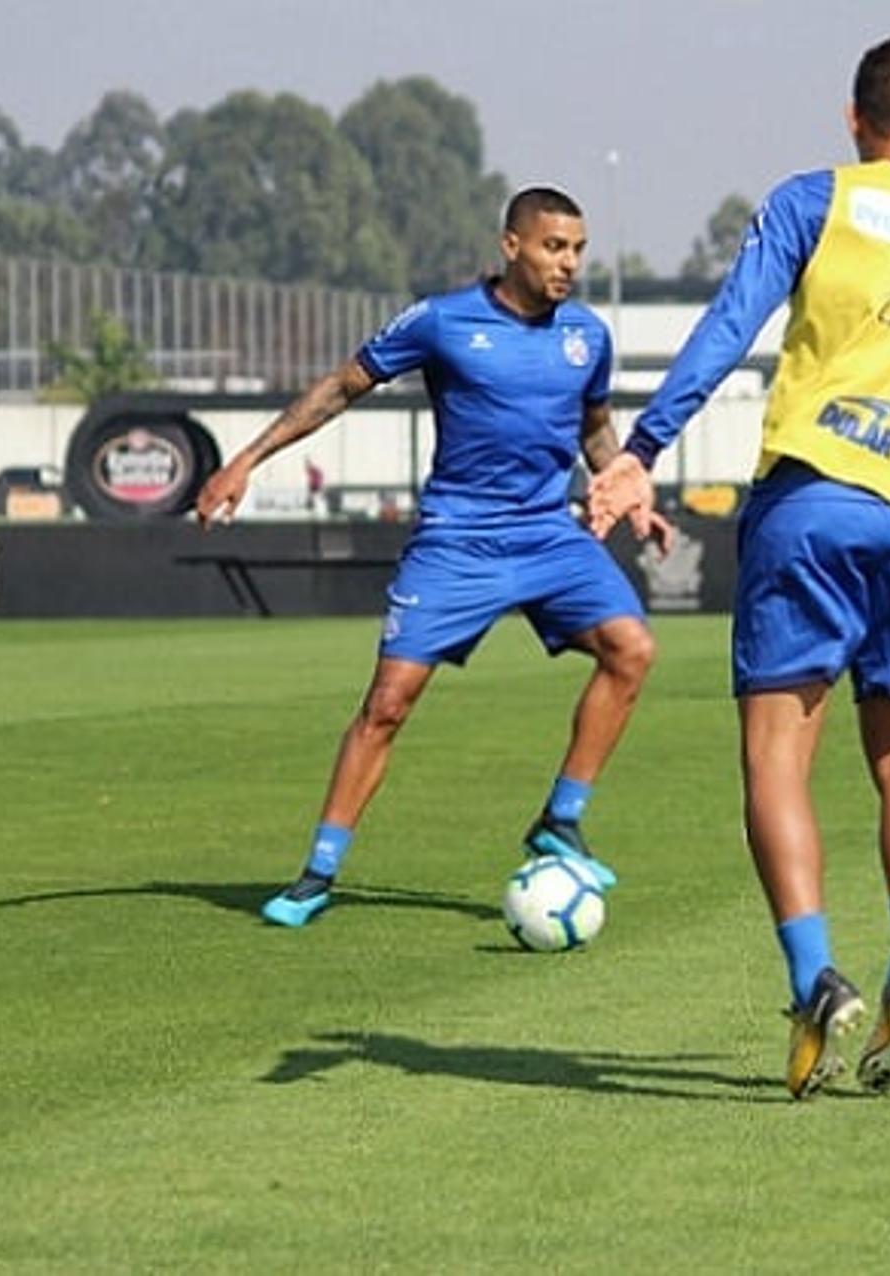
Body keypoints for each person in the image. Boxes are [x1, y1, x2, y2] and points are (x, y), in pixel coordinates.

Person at [587, 36, 890, 1100]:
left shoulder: (818, 201)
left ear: (853, 121)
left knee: (776, 762)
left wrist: (640, 451)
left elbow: (724, 334)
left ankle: (815, 981)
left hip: (808, 506)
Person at [195, 186, 669, 928]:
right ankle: (318, 874)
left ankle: (560, 821)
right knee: (386, 708)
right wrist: (246, 459)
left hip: (548, 534)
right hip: (456, 542)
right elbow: (338, 388)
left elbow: (596, 429)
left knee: (632, 650)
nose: (568, 264)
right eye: (553, 247)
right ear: (511, 246)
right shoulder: (443, 321)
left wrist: (628, 488)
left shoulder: (586, 335)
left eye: (577, 249)